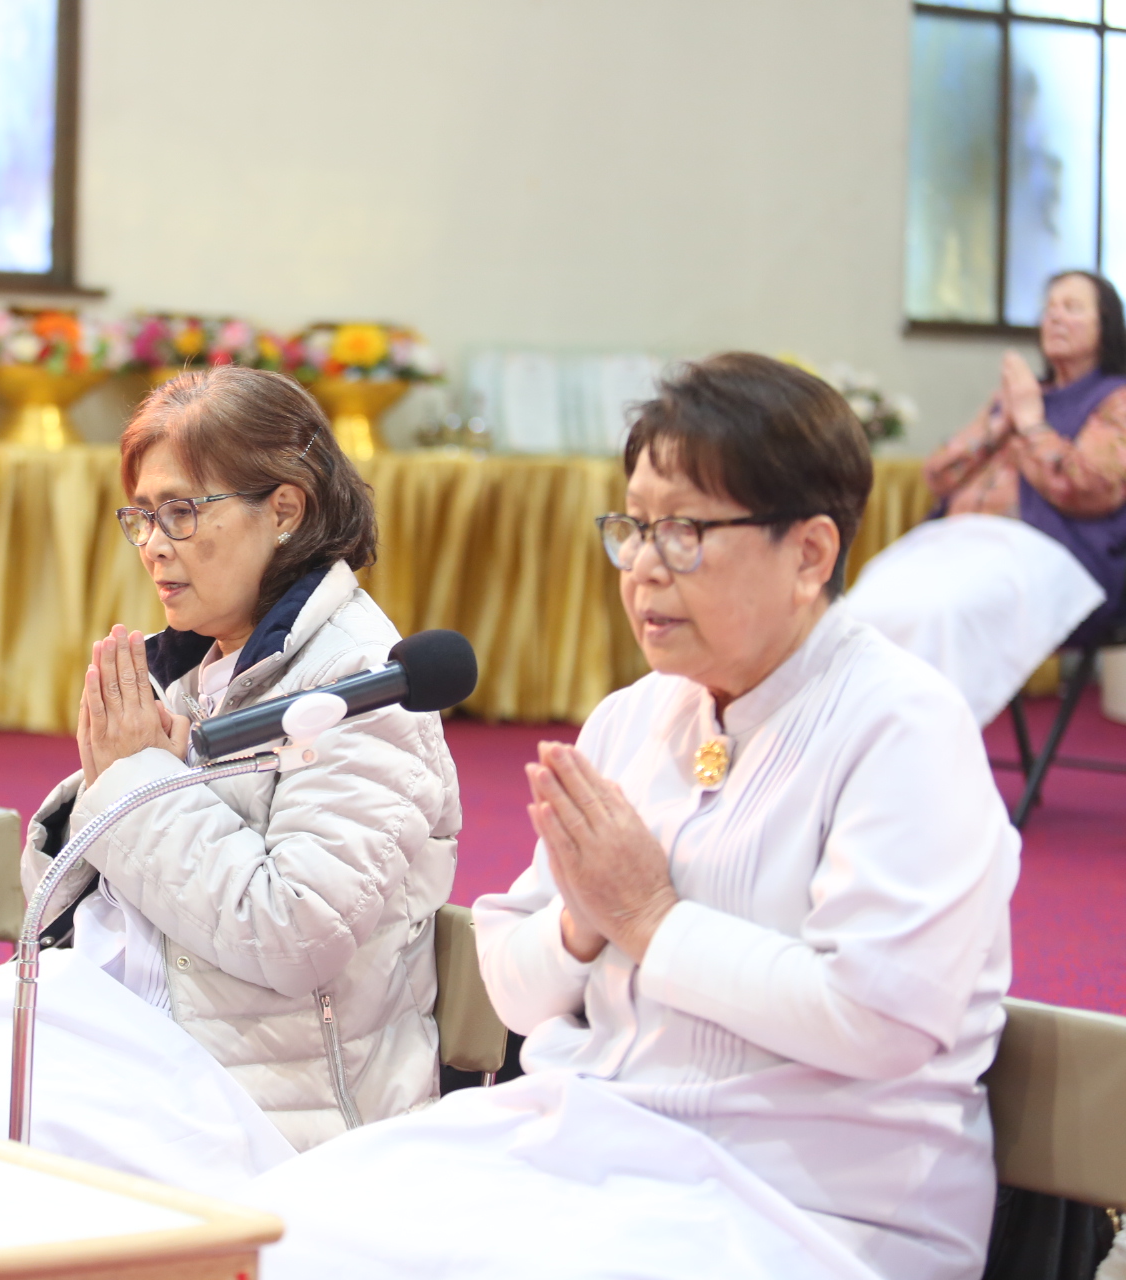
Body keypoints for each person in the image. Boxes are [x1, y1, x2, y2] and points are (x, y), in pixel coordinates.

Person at [247, 354, 1017, 1280]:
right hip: (602, 1145)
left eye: (685, 532)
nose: (643, 569)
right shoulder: (636, 715)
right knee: (274, 1223)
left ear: (811, 552)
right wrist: (580, 924)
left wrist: (650, 921)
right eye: (633, 528)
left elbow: (878, 1021)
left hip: (805, 1199)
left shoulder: (900, 726)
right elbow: (519, 994)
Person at [0, 366, 460, 1194]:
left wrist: (139, 781)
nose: (152, 543)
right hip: (133, 1041)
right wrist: (109, 785)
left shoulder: (365, 685)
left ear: (284, 510)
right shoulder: (198, 666)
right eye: (141, 516)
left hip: (260, 1104)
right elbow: (55, 910)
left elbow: (293, 932)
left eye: (181, 511)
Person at [847, 270, 1126, 722]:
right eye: (1049, 306)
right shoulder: (1016, 396)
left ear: (1107, 324)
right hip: (958, 541)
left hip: (1051, 554)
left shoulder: (1115, 400)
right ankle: (862, 738)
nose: (1054, 315)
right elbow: (938, 475)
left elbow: (1088, 488)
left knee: (940, 611)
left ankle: (923, 737)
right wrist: (999, 425)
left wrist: (1033, 423)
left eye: (1072, 307)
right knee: (867, 602)